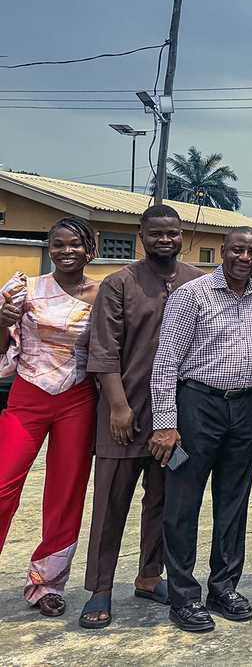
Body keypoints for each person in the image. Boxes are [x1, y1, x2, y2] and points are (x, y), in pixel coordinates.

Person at [79, 206, 203, 629]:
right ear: (141, 236)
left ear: (181, 235)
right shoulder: (119, 283)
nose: (165, 240)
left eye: (172, 233)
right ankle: (100, 587)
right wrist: (117, 405)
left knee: (163, 501)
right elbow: (104, 350)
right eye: (156, 234)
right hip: (126, 411)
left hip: (176, 414)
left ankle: (150, 576)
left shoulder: (196, 282)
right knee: (111, 502)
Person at [150, 227, 252, 632]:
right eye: (238, 250)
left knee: (234, 501)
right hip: (198, 404)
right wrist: (165, 423)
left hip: (246, 406)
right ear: (223, 251)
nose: (245, 258)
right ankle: (183, 596)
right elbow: (166, 361)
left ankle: (224, 587)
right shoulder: (193, 295)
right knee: (183, 503)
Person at [0, 217, 98, 619]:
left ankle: (47, 584)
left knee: (66, 492)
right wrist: (1, 322)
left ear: (90, 249)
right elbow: (3, 344)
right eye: (58, 244)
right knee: (3, 482)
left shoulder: (104, 293)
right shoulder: (24, 288)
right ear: (50, 248)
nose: (66, 251)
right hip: (28, 393)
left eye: (75, 244)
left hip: (78, 397)